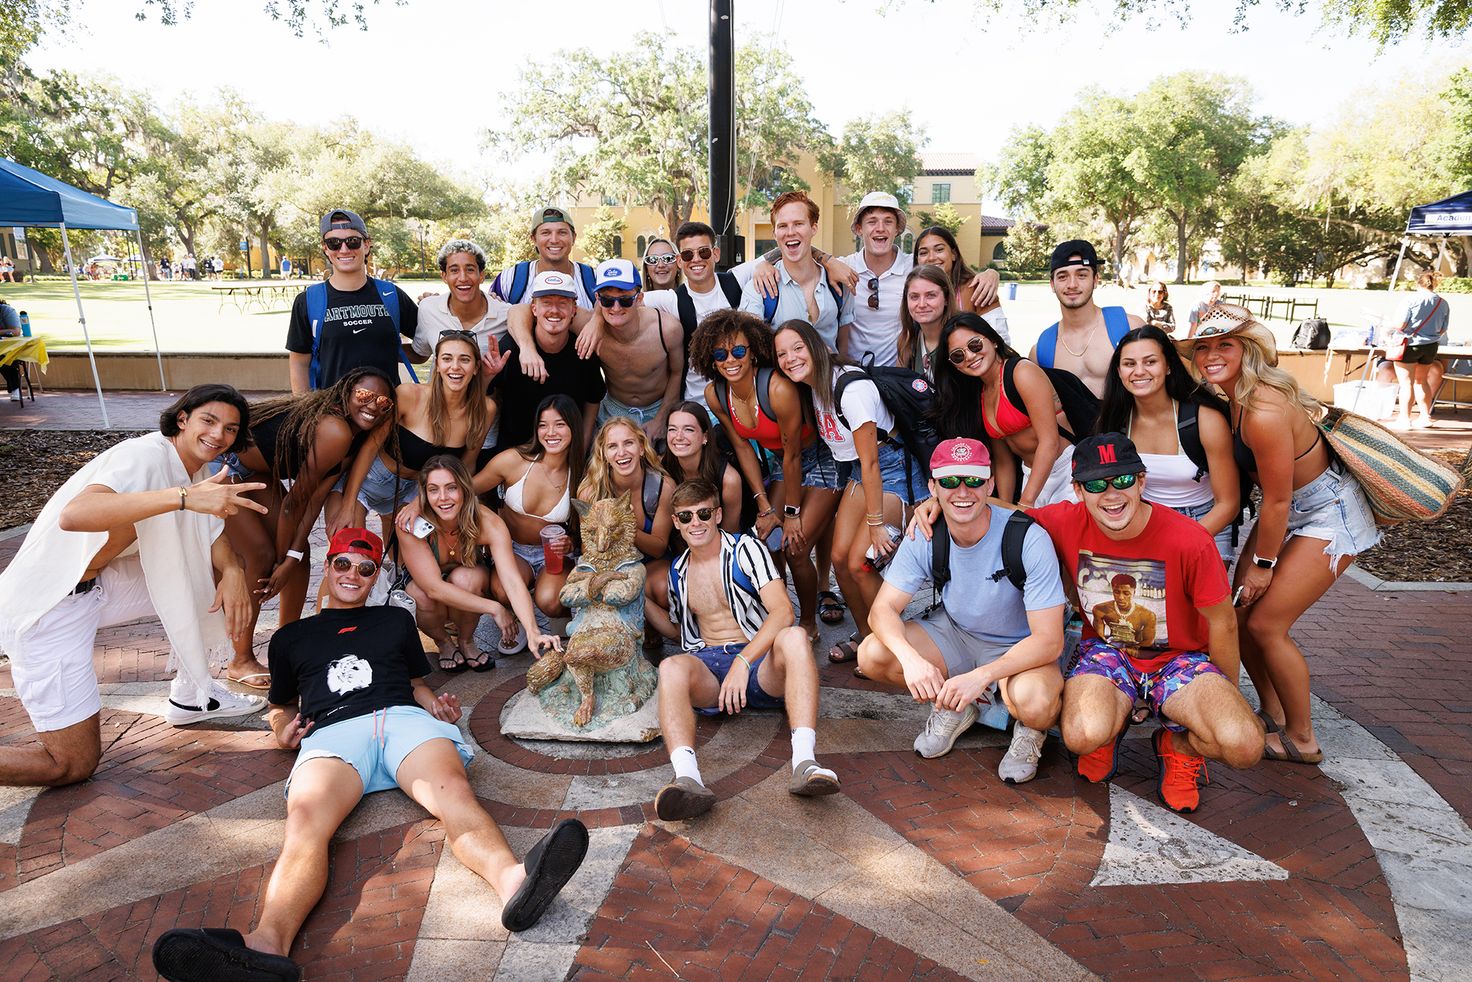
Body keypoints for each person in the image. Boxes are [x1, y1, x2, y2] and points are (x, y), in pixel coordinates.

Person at [150, 528, 587, 982]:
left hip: (402, 719)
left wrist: (434, 705)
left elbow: (417, 683)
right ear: (328, 564)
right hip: (334, 731)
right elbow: (281, 706)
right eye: (342, 563)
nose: (352, 575)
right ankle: (266, 945)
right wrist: (282, 730)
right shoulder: (291, 637)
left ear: (376, 576)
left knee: (455, 794)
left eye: (365, 568)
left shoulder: (394, 622)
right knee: (305, 824)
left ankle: (515, 883)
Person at [0, 385, 269, 787]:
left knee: (214, 570)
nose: (218, 435)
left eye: (230, 429)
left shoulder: (198, 468)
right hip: (48, 608)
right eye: (208, 421)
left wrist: (232, 572)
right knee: (70, 765)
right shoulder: (143, 455)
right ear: (183, 418)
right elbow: (75, 515)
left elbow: (211, 536)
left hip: (102, 586)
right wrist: (181, 498)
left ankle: (191, 694)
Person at [1183, 305, 1380, 766]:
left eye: (1224, 344)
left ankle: (1303, 738)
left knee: (1267, 624)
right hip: (1292, 511)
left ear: (1247, 350)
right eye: (1204, 346)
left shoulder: (1263, 409)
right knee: (1240, 611)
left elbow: (1276, 501)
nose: (1212, 354)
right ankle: (1271, 713)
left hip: (1328, 514)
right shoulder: (1230, 396)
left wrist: (1263, 566)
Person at [1029, 433, 1263, 813]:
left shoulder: (1190, 541)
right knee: (1081, 735)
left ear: (1140, 481)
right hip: (1107, 651)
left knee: (1243, 744)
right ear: (1077, 490)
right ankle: (1109, 730)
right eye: (1095, 484)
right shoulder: (1063, 521)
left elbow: (1223, 624)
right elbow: (995, 514)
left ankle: (1176, 747)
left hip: (1179, 658)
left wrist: (1224, 697)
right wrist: (937, 503)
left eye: (1122, 480)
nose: (1111, 495)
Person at [859, 439, 1066, 783]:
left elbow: (1049, 641)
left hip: (1018, 647)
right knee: (873, 654)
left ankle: (1029, 730)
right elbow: (881, 610)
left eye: (972, 480)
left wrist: (983, 676)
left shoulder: (1027, 538)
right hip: (956, 633)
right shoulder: (925, 532)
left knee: (1037, 704)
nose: (962, 491)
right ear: (933, 487)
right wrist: (912, 661)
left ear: (990, 484)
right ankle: (958, 704)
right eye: (950, 481)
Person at [645, 480, 840, 820]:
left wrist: (742, 661)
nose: (696, 523)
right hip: (710, 669)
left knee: (795, 636)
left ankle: (805, 763)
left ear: (718, 514)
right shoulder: (677, 572)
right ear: (675, 522)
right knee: (671, 667)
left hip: (758, 661)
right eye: (686, 517)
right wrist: (642, 602)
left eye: (704, 513)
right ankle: (687, 779)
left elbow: (783, 611)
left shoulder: (746, 549)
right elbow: (682, 632)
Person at [220, 368, 398, 687]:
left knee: (296, 560)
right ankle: (240, 659)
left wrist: (290, 557)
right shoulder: (335, 430)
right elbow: (293, 505)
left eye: (383, 402)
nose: (373, 405)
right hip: (225, 467)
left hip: (259, 474)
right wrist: (282, 558)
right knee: (261, 557)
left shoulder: (352, 436)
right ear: (346, 392)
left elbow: (312, 501)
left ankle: (287, 649)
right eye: (364, 395)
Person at [774, 318, 930, 665]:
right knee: (841, 561)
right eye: (782, 353)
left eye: (798, 348)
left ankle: (891, 648)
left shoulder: (851, 388)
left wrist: (876, 522)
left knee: (861, 563)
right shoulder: (814, 385)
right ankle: (867, 637)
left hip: (892, 472)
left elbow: (874, 461)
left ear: (816, 346)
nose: (791, 358)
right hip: (861, 472)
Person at [695, 309, 841, 638]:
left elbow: (794, 456)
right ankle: (779, 614)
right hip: (777, 464)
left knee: (796, 546)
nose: (730, 360)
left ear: (754, 351)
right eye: (720, 353)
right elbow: (745, 448)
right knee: (769, 542)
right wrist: (764, 505)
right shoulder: (716, 394)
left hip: (819, 461)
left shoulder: (777, 389)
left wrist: (790, 513)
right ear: (711, 358)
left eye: (738, 351)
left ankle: (807, 623)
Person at [399, 456, 559, 671]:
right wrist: (495, 609)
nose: (443, 498)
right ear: (425, 494)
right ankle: (444, 643)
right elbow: (433, 588)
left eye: (451, 488)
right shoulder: (410, 523)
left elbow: (511, 579)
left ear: (465, 488)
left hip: (467, 577)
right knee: (420, 594)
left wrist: (532, 631)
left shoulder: (487, 522)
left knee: (466, 579)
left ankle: (466, 641)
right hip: (429, 586)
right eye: (433, 489)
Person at [1096, 326, 1240, 561]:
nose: (1139, 371)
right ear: (1119, 371)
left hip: (1204, 523)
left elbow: (1228, 504)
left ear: (1168, 366)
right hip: (1141, 522)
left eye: (1150, 362)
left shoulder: (1203, 419)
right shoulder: (1115, 421)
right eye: (1129, 364)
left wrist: (1177, 545)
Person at [334, 330, 495, 534]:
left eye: (464, 360)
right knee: (352, 547)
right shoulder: (410, 395)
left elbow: (466, 464)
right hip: (370, 480)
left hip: (416, 489)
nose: (455, 367)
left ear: (475, 368)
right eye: (447, 359)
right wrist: (348, 504)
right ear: (437, 365)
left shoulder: (485, 409)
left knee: (403, 562)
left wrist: (422, 500)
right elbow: (370, 447)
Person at [934, 312, 1077, 507]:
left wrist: (1025, 503)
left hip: (1065, 470)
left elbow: (1049, 442)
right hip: (1031, 474)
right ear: (955, 366)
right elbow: (1003, 461)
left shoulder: (1022, 372)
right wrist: (1005, 507)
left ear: (993, 340)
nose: (969, 356)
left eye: (975, 345)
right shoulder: (981, 393)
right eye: (958, 355)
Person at [285, 209, 420, 394]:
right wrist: (304, 413)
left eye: (353, 241)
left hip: (385, 411)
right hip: (332, 414)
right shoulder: (308, 301)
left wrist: (434, 307)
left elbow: (424, 348)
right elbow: (300, 362)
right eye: (334, 243)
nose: (344, 249)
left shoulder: (392, 295)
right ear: (325, 248)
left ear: (366, 245)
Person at [489, 271, 605, 453]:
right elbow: (488, 396)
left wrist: (581, 449)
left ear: (574, 309)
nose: (554, 310)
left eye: (562, 303)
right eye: (547, 303)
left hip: (565, 454)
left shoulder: (582, 349)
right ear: (534, 309)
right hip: (516, 452)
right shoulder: (511, 348)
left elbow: (593, 399)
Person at [739, 191, 853, 352]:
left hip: (831, 374)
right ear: (775, 233)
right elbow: (751, 349)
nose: (790, 232)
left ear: (813, 228)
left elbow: (844, 346)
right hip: (782, 375)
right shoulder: (758, 288)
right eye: (783, 226)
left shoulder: (838, 282)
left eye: (798, 224)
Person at [1031, 240, 1142, 397]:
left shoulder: (1130, 327)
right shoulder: (1042, 350)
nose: (1072, 284)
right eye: (1062, 277)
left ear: (1096, 280)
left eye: (1082, 275)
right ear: (1052, 284)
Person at [589, 258, 683, 438]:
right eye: (607, 301)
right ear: (598, 300)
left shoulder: (667, 329)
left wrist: (661, 419)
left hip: (658, 407)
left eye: (625, 300)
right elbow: (527, 310)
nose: (616, 308)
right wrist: (526, 347)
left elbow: (677, 373)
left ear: (639, 298)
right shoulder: (589, 328)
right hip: (612, 409)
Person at [579, 418, 675, 565]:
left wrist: (625, 525)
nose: (622, 452)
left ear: (641, 448)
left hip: (651, 563)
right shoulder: (590, 493)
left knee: (661, 583)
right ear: (603, 454)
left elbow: (659, 548)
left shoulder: (664, 486)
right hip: (610, 564)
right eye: (612, 446)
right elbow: (587, 550)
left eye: (628, 443)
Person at [488, 205, 597, 309]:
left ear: (573, 238)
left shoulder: (594, 280)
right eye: (546, 233)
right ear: (534, 239)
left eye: (562, 232)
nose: (554, 240)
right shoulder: (510, 279)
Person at [660, 401, 744, 534]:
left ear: (705, 437)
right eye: (672, 429)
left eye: (688, 429)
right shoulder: (661, 470)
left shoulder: (729, 479)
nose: (679, 436)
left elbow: (730, 534)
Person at [912, 224, 1006, 337]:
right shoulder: (913, 294)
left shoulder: (978, 289)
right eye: (923, 252)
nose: (931, 257)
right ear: (917, 260)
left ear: (953, 254)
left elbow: (999, 340)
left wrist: (992, 272)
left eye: (939, 249)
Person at [1389, 270, 1450, 429]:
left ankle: (1404, 419)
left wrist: (1389, 325)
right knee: (1421, 381)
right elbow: (1443, 329)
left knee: (1406, 383)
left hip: (1409, 345)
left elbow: (1400, 324)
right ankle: (1425, 417)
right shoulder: (1442, 303)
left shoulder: (1410, 300)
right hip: (1430, 346)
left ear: (1418, 283)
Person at [897, 263, 956, 377]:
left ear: (946, 299)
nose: (922, 304)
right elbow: (900, 383)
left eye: (931, 295)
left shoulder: (962, 337)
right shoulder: (908, 339)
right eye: (914, 297)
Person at [1, 295, 22, 401]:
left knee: (6, 358)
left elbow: (16, 332)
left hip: (9, 348)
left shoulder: (6, 310)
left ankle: (15, 387)